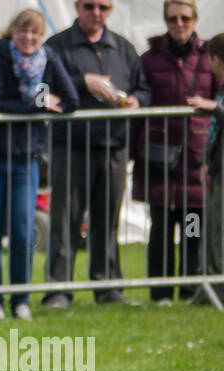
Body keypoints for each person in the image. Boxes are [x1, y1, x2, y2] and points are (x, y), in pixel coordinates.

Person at [0, 9, 79, 322]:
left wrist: (36, 103)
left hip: (25, 160)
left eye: (35, 33)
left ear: (41, 36)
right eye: (23, 31)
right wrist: (35, 105)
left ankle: (20, 300)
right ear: (12, 31)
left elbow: (71, 101)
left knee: (22, 232)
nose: (29, 38)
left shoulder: (49, 59)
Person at [43, 0, 151, 308]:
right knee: (66, 220)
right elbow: (43, 88)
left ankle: (108, 288)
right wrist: (82, 82)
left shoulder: (123, 48)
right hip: (71, 147)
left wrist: (136, 101)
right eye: (89, 6)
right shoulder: (57, 46)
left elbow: (142, 87)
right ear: (77, 7)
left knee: (107, 221)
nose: (96, 12)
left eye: (103, 6)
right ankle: (59, 290)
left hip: (114, 147)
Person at [133, 2, 216, 306]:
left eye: (185, 18)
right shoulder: (149, 59)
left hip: (196, 160)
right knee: (161, 228)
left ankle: (190, 288)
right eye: (173, 18)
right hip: (159, 159)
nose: (179, 24)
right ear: (165, 20)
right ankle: (161, 292)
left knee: (192, 227)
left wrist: (210, 105)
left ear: (194, 19)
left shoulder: (210, 58)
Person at [188, 33, 224, 305]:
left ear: (215, 59)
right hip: (220, 171)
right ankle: (209, 291)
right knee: (211, 231)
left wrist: (215, 108)